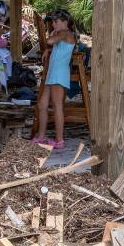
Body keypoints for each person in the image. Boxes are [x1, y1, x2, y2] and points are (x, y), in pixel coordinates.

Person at [31, 10, 75, 150]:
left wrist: (52, 35)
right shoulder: (62, 34)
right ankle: (42, 136)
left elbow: (50, 41)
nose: (54, 24)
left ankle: (59, 140)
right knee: (42, 105)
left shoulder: (65, 33)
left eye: (56, 22)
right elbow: (57, 47)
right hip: (53, 73)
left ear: (65, 22)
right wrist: (48, 51)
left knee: (57, 106)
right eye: (52, 22)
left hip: (59, 74)